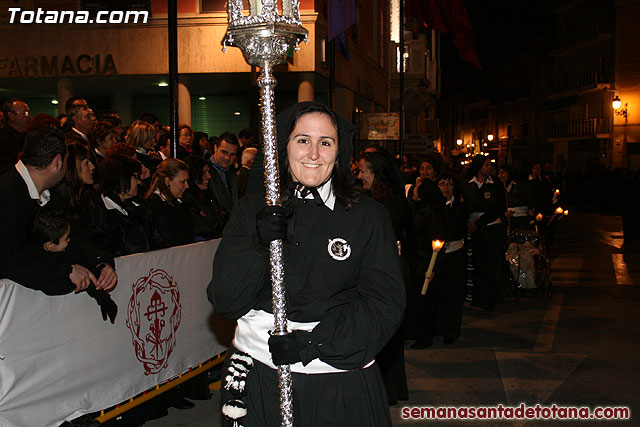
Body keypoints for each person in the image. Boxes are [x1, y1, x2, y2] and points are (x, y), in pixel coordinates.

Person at [208, 102, 405, 426]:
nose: (313, 153)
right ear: (284, 147)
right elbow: (226, 299)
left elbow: (384, 302)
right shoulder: (251, 210)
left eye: (325, 142)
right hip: (258, 376)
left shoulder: (367, 216)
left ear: (339, 152)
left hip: (337, 381)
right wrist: (258, 244)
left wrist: (313, 344)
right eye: (302, 140)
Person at [0, 127, 112, 295]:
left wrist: (100, 262)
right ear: (57, 162)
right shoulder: (6, 194)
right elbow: (10, 257)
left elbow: (73, 236)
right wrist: (64, 270)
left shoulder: (51, 193)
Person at [357, 150, 411, 405]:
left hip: (387, 273)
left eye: (363, 171)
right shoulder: (368, 198)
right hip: (372, 271)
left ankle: (390, 390)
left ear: (377, 173)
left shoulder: (393, 202)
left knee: (387, 332)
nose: (359, 175)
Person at [29, 208, 118, 323]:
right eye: (66, 239)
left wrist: (104, 299)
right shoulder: (38, 263)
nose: (69, 240)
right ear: (49, 245)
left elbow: (85, 272)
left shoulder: (64, 252)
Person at [412, 171, 468, 347]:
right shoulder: (432, 208)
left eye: (449, 184)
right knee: (434, 295)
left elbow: (454, 229)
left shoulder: (457, 207)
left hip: (453, 254)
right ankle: (436, 327)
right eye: (442, 184)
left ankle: (450, 331)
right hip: (437, 256)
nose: (446, 188)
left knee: (452, 294)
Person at [463, 155, 506, 311]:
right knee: (477, 264)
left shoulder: (496, 185)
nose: (490, 167)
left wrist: (479, 223)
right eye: (486, 164)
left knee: (491, 264)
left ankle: (491, 298)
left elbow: (496, 208)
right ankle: (478, 296)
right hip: (473, 228)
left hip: (490, 227)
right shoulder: (468, 185)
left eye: (490, 164)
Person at [98, 154, 158, 256]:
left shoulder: (140, 204)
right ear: (120, 178)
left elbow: (155, 239)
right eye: (135, 177)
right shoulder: (100, 211)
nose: (139, 182)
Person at [145, 158, 195, 249]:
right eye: (182, 182)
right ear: (167, 181)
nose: (187, 186)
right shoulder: (154, 205)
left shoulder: (177, 203)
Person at [182, 155, 228, 240]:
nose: (209, 176)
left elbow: (225, 215)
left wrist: (211, 218)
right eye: (204, 172)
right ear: (194, 174)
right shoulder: (186, 197)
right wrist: (217, 217)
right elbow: (201, 226)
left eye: (208, 171)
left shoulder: (207, 193)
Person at [208, 132, 239, 216]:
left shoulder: (232, 172)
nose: (227, 158)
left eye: (232, 154)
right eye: (224, 152)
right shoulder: (204, 171)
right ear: (215, 148)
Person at [497, 165, 535, 232]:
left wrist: (531, 209)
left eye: (502, 173)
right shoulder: (498, 187)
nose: (499, 175)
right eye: (499, 173)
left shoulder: (521, 185)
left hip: (522, 220)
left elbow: (530, 198)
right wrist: (504, 213)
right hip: (507, 220)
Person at [0, 98, 31, 174]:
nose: (29, 117)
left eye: (29, 113)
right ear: (11, 115)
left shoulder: (28, 136)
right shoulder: (3, 139)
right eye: (25, 113)